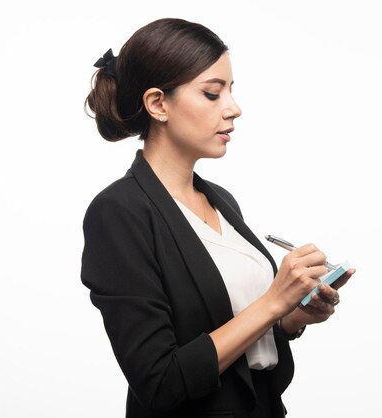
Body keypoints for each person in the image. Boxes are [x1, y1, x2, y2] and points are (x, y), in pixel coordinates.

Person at [81, 17, 355, 418]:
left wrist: (292, 316)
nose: (234, 109)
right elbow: (159, 383)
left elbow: (235, 334)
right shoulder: (118, 213)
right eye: (212, 94)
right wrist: (272, 303)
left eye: (231, 90)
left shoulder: (221, 200)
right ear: (158, 104)